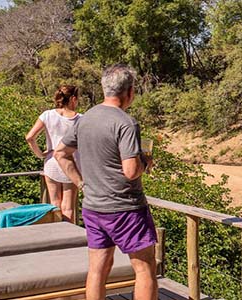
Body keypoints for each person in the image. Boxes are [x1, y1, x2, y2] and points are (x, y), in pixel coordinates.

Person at [54, 64, 157, 300]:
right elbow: (131, 171)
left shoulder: (86, 118)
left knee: (98, 269)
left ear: (104, 89)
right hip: (126, 209)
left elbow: (60, 153)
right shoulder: (126, 123)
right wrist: (145, 161)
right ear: (130, 92)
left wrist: (81, 183)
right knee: (145, 268)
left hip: (93, 207)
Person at [25, 85, 81, 223]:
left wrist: (40, 154)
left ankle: (57, 233)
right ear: (73, 99)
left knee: (54, 204)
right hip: (70, 164)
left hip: (51, 163)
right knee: (68, 207)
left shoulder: (47, 115)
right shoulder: (80, 119)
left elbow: (30, 137)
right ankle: (69, 234)